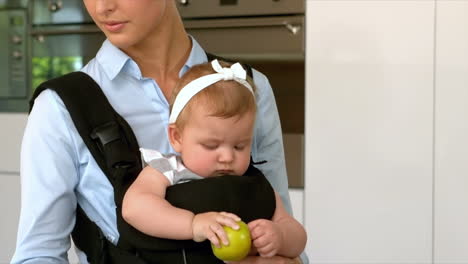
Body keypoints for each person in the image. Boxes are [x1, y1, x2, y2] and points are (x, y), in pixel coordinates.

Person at [12, 0, 308, 263]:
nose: (102, 7)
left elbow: (283, 230)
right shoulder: (61, 107)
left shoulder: (249, 88)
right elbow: (38, 254)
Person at [121, 59, 307, 261]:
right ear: (177, 137)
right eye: (211, 146)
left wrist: (280, 235)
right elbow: (135, 208)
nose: (227, 157)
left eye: (240, 146)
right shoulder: (167, 169)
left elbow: (295, 233)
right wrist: (192, 224)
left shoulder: (254, 182)